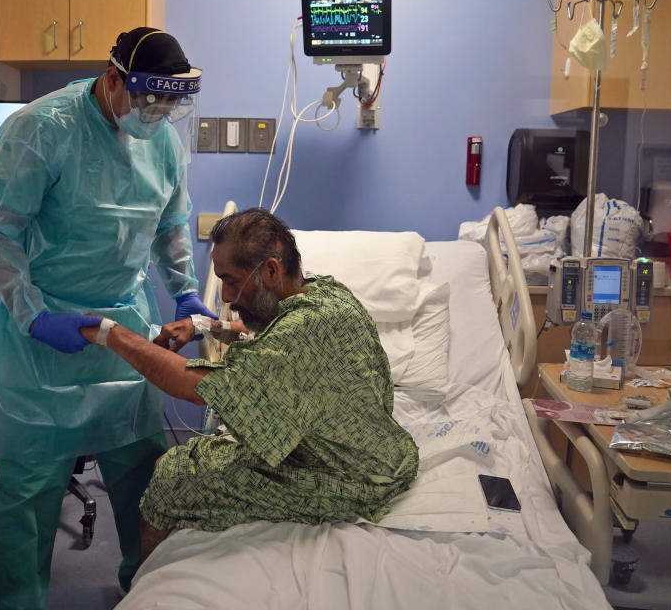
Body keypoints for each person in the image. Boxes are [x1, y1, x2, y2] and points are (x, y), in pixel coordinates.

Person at [0, 27, 216, 607]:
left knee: (142, 471)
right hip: (40, 330)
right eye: (147, 101)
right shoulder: (41, 129)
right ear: (113, 79)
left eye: (170, 105)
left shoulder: (161, 140)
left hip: (123, 329)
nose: (157, 115)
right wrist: (34, 316)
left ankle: (150, 590)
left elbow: (169, 224)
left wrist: (187, 292)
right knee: (31, 489)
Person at [78, 208, 419, 565]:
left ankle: (140, 588)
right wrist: (203, 326)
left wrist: (111, 334)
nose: (226, 295)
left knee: (170, 480)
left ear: (270, 270)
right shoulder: (326, 294)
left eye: (231, 280)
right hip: (375, 451)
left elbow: (192, 385)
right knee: (170, 461)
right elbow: (270, 332)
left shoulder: (301, 332)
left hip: (350, 479)